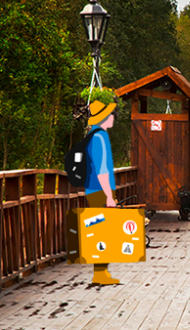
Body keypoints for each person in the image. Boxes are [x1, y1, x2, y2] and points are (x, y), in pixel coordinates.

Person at [85, 100, 119, 284]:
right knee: (102, 232)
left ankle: (102, 271)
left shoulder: (93, 135)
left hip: (93, 189)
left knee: (100, 231)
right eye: (111, 114)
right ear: (104, 118)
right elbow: (102, 170)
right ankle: (99, 273)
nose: (113, 117)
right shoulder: (100, 138)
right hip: (99, 190)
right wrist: (109, 196)